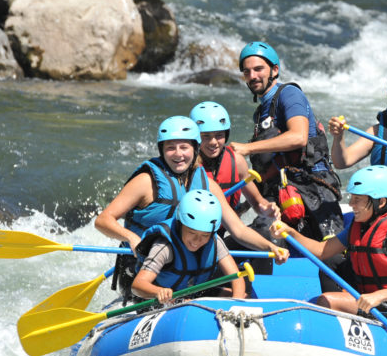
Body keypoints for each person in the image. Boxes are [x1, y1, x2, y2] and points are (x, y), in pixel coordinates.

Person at [95, 115, 286, 301]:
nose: (178, 154)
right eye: (171, 148)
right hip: (145, 273)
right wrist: (132, 238)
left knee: (245, 295)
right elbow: (103, 220)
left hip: (189, 272)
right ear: (162, 150)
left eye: (184, 147)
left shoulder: (207, 184)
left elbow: (238, 230)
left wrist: (270, 247)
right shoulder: (146, 182)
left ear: (195, 149)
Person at [271, 165, 387, 327]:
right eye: (352, 198)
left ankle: (335, 329)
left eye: (358, 199)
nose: (351, 204)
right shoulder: (359, 225)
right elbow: (322, 251)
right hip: (372, 299)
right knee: (331, 261)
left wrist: (379, 296)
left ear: (380, 202)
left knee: (327, 301)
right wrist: (290, 232)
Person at [229, 41, 343, 242]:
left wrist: (247, 148)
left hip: (313, 190)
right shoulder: (261, 113)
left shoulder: (289, 94)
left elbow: (298, 137)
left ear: (274, 70)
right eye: (247, 72)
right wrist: (245, 206)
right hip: (282, 194)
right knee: (250, 240)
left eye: (258, 69)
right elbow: (274, 165)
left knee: (333, 254)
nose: (253, 76)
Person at [132, 189, 246, 303]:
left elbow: (237, 278)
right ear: (180, 224)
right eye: (192, 233)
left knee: (243, 296)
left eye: (205, 235)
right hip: (159, 299)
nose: (197, 240)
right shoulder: (164, 246)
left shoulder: (215, 241)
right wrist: (159, 292)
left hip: (191, 294)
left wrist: (235, 304)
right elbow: (138, 285)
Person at [189, 100, 271, 216]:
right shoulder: (187, 165)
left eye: (219, 135)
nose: (213, 142)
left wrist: (267, 209)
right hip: (195, 230)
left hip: (228, 227)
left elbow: (257, 202)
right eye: (206, 136)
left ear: (226, 135)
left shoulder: (237, 161)